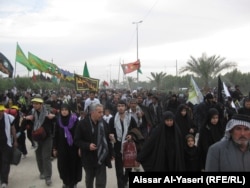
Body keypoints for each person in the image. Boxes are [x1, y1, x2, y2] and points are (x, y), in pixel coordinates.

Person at [74, 103, 113, 188]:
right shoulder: (82, 124)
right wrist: (87, 146)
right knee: (89, 181)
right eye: (99, 112)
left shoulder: (104, 123)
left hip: (101, 158)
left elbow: (108, 140)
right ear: (92, 112)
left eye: (102, 112)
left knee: (101, 183)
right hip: (88, 158)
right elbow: (77, 141)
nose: (102, 114)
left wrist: (111, 137)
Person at [25, 95, 56, 186]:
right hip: (36, 138)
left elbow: (56, 121)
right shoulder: (31, 112)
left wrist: (53, 117)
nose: (34, 105)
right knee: (39, 157)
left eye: (36, 104)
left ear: (41, 104)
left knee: (46, 157)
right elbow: (25, 123)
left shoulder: (48, 112)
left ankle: (48, 177)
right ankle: (42, 172)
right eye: (33, 103)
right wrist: (27, 119)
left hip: (47, 138)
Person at [108, 100, 138, 188]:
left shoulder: (130, 118)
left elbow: (136, 130)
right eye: (119, 106)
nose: (120, 107)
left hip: (128, 146)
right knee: (119, 168)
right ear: (117, 107)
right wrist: (111, 135)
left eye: (122, 106)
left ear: (125, 107)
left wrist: (131, 135)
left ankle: (125, 180)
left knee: (128, 167)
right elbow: (109, 131)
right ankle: (120, 185)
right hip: (117, 146)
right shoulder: (112, 119)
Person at [53, 103, 82, 188]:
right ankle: (65, 181)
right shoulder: (58, 120)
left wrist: (80, 146)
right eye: (62, 110)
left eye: (66, 110)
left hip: (73, 147)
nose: (64, 112)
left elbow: (79, 133)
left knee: (73, 165)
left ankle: (74, 182)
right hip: (62, 147)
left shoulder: (75, 119)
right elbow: (56, 134)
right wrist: (54, 148)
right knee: (62, 166)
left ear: (69, 111)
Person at [0, 104, 18, 188]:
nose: (0, 113)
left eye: (1, 111)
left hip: (6, 144)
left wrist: (15, 140)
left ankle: (4, 181)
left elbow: (13, 129)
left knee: (5, 162)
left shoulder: (9, 118)